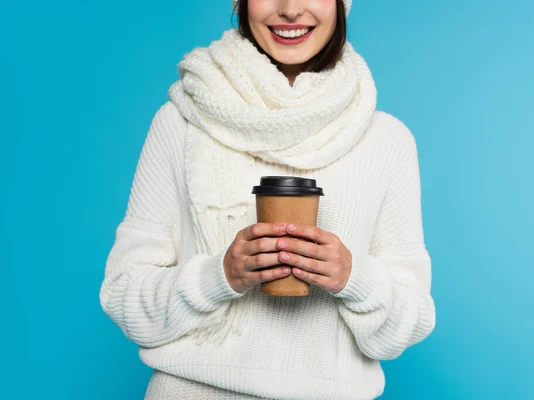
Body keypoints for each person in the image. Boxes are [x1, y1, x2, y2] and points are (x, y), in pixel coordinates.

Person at [99, 0, 436, 398]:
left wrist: (353, 279)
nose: (290, 9)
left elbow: (407, 326)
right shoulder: (182, 121)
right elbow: (122, 297)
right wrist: (219, 276)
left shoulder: (387, 141)